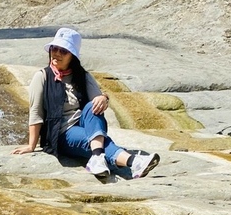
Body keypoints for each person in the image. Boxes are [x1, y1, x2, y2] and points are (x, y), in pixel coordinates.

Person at [12, 27, 160, 181]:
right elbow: (35, 113)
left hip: (85, 126)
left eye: (63, 51)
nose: (57, 53)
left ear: (72, 57)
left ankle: (98, 158)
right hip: (60, 133)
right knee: (96, 140)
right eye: (54, 48)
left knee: (93, 106)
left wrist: (104, 98)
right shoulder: (42, 77)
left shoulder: (82, 76)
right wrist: (31, 145)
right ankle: (133, 161)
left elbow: (98, 102)